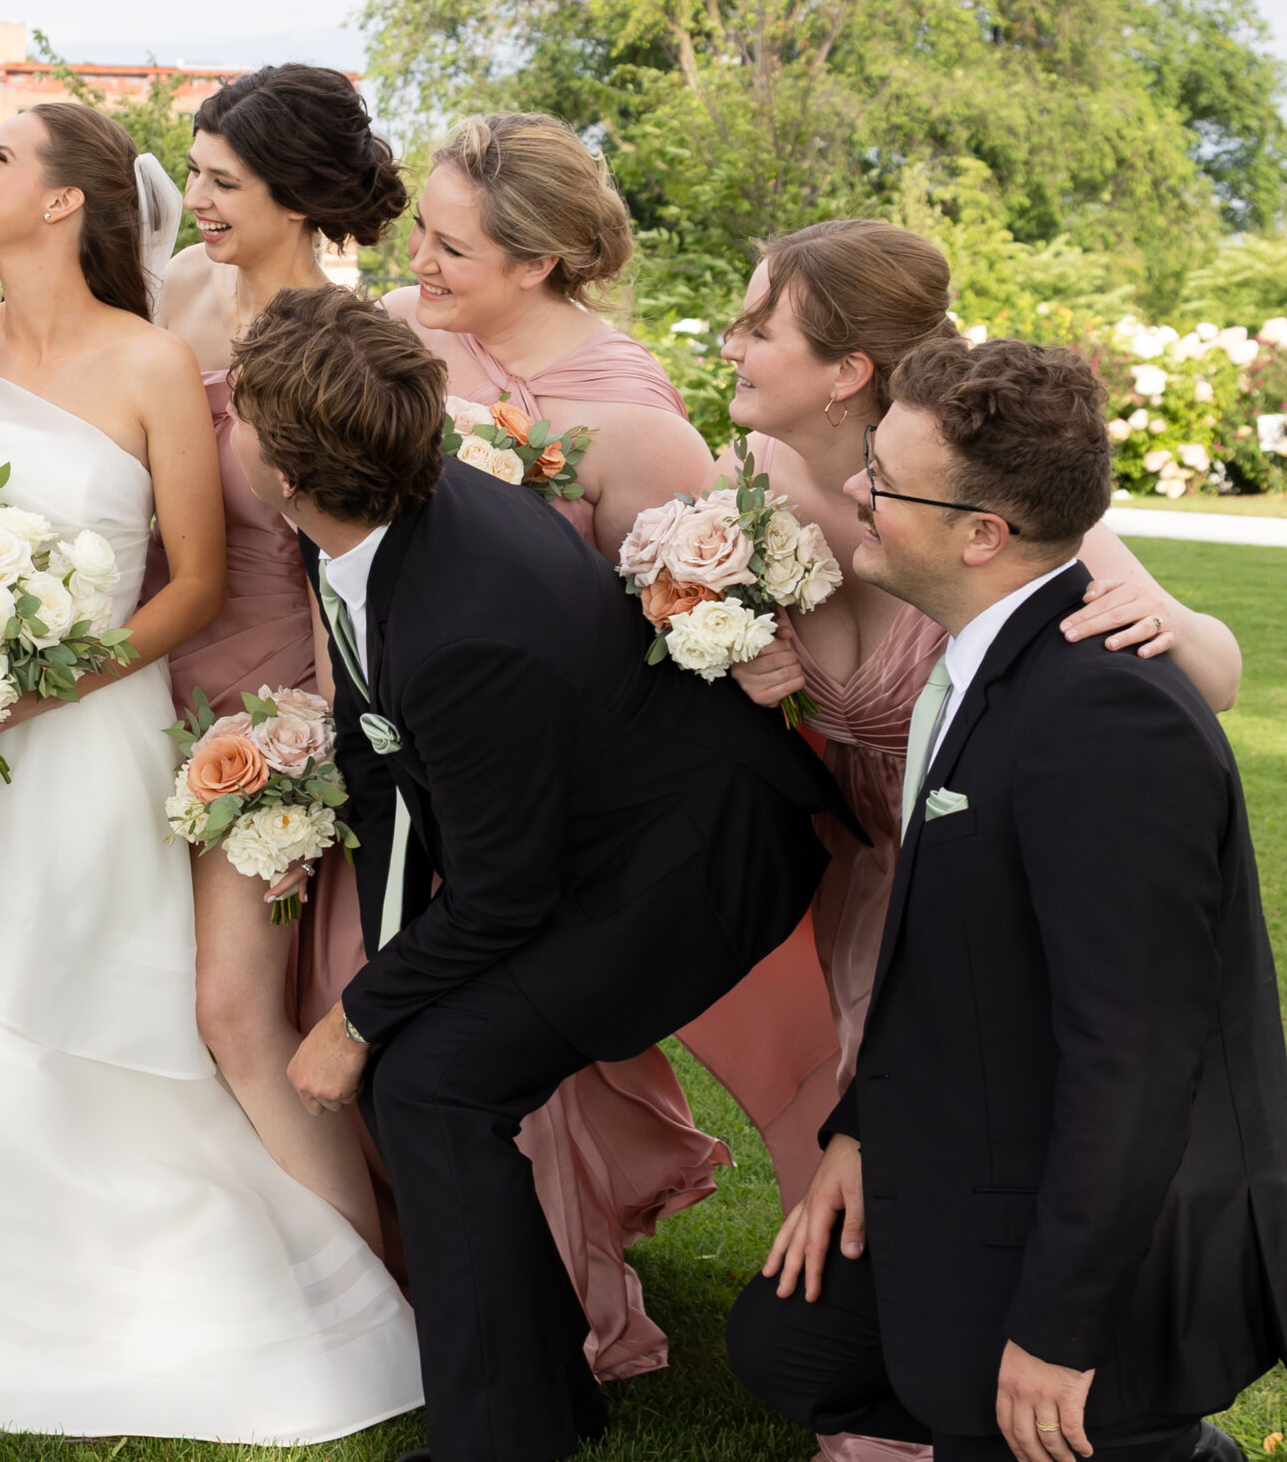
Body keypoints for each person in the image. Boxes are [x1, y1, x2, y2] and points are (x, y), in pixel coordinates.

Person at [0, 104, 421, 1441]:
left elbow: (192, 586)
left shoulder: (152, 368)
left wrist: (33, 688)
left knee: (81, 1017)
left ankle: (220, 1302)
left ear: (66, 202)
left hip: (88, 736)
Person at [238, 285, 845, 1462]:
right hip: (593, 843)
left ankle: (501, 1436)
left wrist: (356, 1018)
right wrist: (383, 984)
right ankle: (541, 1397)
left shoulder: (464, 622)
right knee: (422, 1068)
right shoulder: (367, 526)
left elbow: (503, 894)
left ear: (282, 467)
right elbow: (386, 770)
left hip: (687, 868)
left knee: (430, 1081)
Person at [727, 338, 1286, 1462]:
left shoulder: (1103, 722)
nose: (851, 491)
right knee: (793, 1347)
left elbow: (1132, 1059)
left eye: (881, 479)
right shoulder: (994, 653)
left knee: (984, 1411)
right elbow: (941, 961)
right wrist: (856, 1135)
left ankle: (1147, 1436)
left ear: (984, 534)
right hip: (982, 1139)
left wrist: (1057, 1331)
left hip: (1103, 1246)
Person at [713, 223, 1242, 1216]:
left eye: (756, 324)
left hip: (974, 853)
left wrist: (1166, 619)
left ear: (846, 372)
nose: (729, 343)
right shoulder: (748, 472)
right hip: (857, 850)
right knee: (876, 1110)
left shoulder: (964, 487)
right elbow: (693, 619)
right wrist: (751, 660)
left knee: (952, 1107)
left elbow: (1214, 677)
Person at [380, 112, 758, 1378]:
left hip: (557, 803)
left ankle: (567, 1318)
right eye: (419, 230)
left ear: (538, 264)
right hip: (422, 761)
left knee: (503, 1056)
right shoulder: (407, 332)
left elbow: (670, 644)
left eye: (448, 247)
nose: (415, 262)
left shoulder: (635, 425)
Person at [149, 63, 407, 1247]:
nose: (197, 199)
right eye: (195, 173)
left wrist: (316, 730)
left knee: (238, 1012)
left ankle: (371, 1294)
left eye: (223, 182)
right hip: (142, 683)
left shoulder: (351, 338)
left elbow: (340, 561)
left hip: (273, 708)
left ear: (298, 197)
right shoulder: (166, 296)